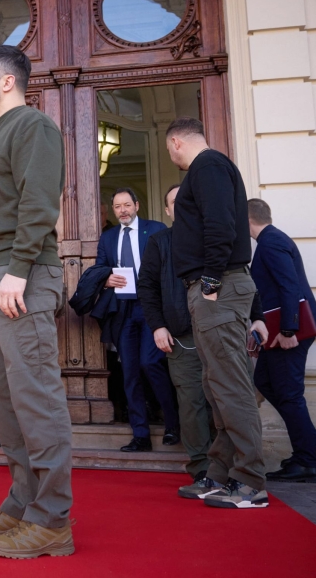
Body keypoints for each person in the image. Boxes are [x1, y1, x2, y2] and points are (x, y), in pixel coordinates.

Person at [0, 45, 73, 559]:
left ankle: (52, 520)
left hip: (21, 275)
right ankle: (22, 502)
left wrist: (17, 270)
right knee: (6, 401)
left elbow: (38, 205)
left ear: (6, 82)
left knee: (36, 398)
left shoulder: (33, 126)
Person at [165, 116, 270, 509]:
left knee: (230, 386)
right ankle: (220, 473)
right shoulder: (211, 166)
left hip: (218, 287)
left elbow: (221, 226)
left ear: (176, 142)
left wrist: (209, 282)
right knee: (217, 385)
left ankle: (250, 481)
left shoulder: (206, 165)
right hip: (216, 288)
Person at [248, 198, 316, 483]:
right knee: (265, 381)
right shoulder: (272, 240)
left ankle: (307, 462)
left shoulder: (270, 242)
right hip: (280, 332)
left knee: (290, 394)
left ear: (247, 219)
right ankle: (313, 444)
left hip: (289, 333)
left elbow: (289, 286)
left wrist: (288, 332)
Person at [138, 184, 213, 485]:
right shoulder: (159, 242)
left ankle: (229, 465)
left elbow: (239, 275)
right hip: (181, 337)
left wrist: (256, 318)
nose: (180, 206)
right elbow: (147, 287)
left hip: (218, 333)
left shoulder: (213, 238)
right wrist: (157, 325)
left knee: (223, 400)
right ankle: (203, 470)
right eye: (174, 202)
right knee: (192, 401)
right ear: (167, 210)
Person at [97, 187, 179, 451]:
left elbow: (169, 267)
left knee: (151, 363)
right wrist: (105, 278)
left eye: (127, 205)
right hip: (122, 309)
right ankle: (140, 434)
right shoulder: (108, 237)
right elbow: (100, 267)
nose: (122, 210)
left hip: (151, 308)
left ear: (137, 205)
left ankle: (173, 425)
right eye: (117, 207)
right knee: (129, 371)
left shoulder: (155, 229)